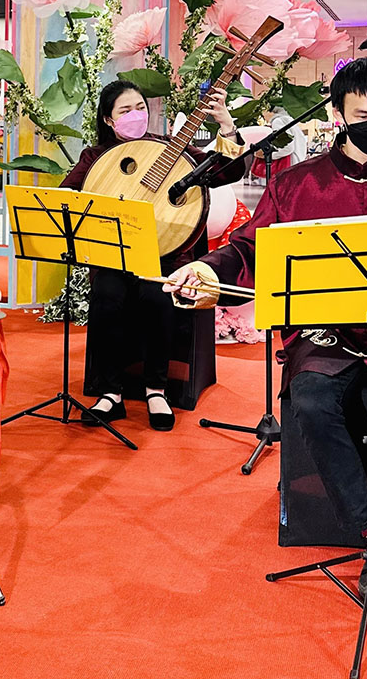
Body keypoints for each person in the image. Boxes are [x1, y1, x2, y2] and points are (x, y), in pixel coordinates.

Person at [164, 56, 367, 611]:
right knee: (310, 406)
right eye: (365, 114)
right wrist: (208, 270)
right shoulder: (296, 184)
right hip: (326, 340)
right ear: (337, 112)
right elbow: (250, 245)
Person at [61, 79, 244, 430]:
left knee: (156, 296)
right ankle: (109, 394)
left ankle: (156, 390)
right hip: (114, 254)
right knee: (107, 293)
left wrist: (226, 125)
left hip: (166, 256)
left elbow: (227, 172)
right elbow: (69, 197)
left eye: (140, 108)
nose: (135, 115)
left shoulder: (170, 148)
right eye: (125, 111)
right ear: (109, 120)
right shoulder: (96, 157)